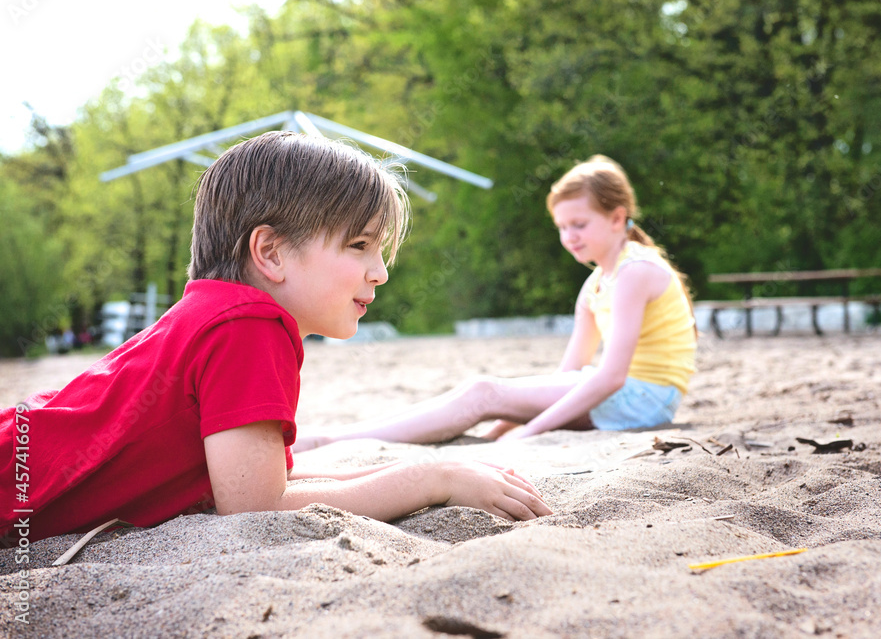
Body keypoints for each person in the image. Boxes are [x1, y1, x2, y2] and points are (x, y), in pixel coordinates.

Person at [0, 132, 550, 544]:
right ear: (270, 253)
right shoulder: (247, 325)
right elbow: (257, 506)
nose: (380, 271)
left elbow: (259, 480)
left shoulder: (216, 314)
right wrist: (432, 479)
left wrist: (424, 473)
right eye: (359, 245)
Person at [295, 155, 696, 449]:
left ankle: (329, 439)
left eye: (579, 224)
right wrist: (503, 426)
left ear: (616, 218)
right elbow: (567, 373)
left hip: (645, 401)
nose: (569, 236)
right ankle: (337, 437)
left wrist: (532, 430)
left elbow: (611, 377)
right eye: (562, 227)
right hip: (630, 398)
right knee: (484, 395)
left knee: (483, 393)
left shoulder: (634, 272)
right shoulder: (597, 284)